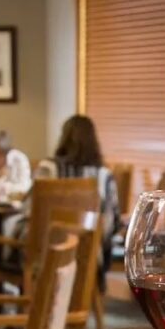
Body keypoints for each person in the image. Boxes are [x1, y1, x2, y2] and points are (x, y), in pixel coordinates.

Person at [36, 115, 120, 288]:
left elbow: (31, 212)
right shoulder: (103, 175)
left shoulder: (48, 169)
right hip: (89, 255)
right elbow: (111, 223)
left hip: (46, 251)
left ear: (63, 138)